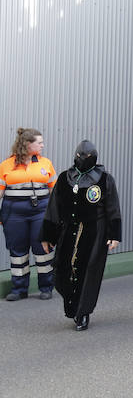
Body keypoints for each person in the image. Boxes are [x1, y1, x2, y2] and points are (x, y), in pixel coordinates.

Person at [40, 141, 121, 330]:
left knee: (88, 273)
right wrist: (48, 236)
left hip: (95, 233)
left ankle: (83, 312)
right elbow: (54, 208)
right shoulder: (64, 178)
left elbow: (113, 208)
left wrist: (114, 234)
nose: (83, 160)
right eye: (81, 157)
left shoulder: (104, 179)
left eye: (88, 157)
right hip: (68, 232)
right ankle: (73, 305)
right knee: (62, 272)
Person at [0, 128, 57, 301]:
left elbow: (53, 191)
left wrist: (56, 215)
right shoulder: (6, 165)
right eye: (39, 142)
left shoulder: (45, 163)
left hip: (40, 212)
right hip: (14, 213)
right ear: (27, 144)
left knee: (43, 248)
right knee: (18, 251)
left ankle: (46, 287)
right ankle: (19, 290)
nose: (42, 145)